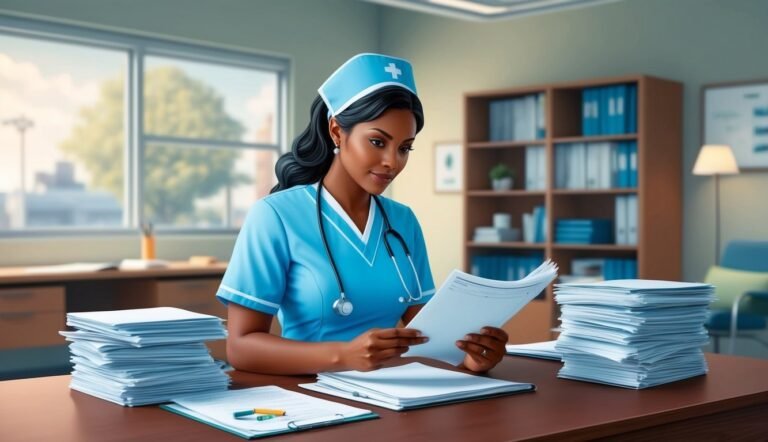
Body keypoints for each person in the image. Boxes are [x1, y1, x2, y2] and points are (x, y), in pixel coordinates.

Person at [216, 53, 508, 375]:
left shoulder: (403, 221)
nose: (392, 162)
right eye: (377, 142)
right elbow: (241, 347)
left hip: (393, 397)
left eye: (404, 148)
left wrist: (471, 357)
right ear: (337, 132)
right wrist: (343, 356)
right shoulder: (274, 216)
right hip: (310, 397)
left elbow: (428, 335)